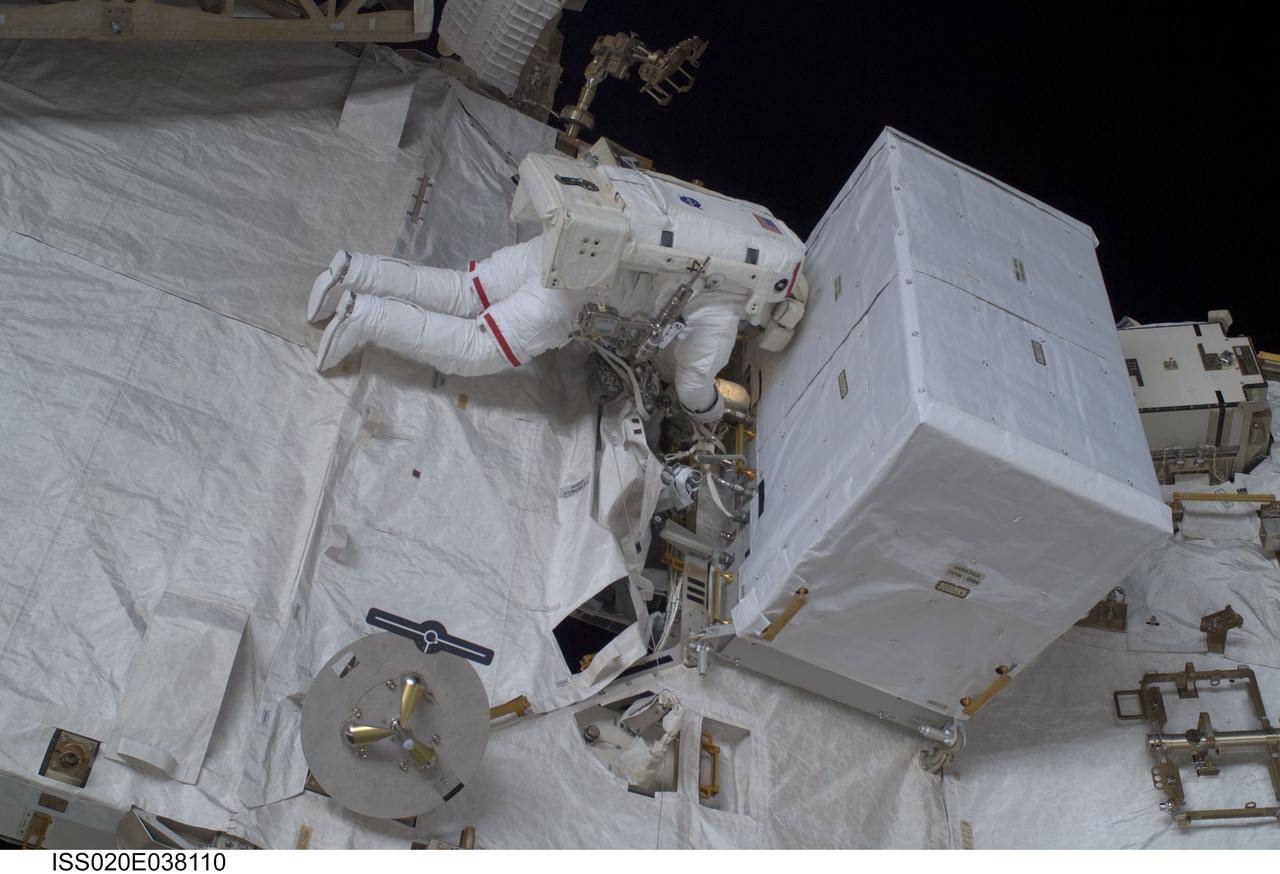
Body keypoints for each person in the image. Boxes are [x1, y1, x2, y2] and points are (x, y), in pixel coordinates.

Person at [308, 235, 744, 422]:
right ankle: (364, 315)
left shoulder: (711, 243)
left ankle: (353, 270)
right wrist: (714, 412)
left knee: (463, 290)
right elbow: (692, 386)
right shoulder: (726, 306)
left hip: (556, 250)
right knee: (475, 349)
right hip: (569, 294)